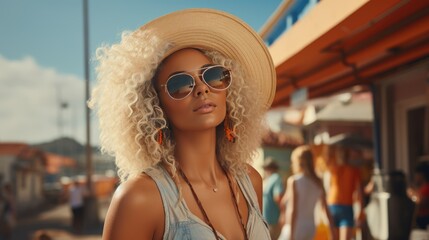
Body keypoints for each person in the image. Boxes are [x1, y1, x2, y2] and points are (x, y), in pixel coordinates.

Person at [88, 8, 276, 240]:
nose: (202, 88)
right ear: (154, 105)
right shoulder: (140, 198)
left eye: (213, 75)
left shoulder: (250, 180)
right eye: (180, 84)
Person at [278, 146, 335, 240]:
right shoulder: (318, 182)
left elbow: (293, 210)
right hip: (311, 227)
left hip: (296, 227)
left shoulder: (294, 181)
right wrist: (332, 233)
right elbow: (326, 209)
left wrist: (291, 236)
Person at [325, 145, 364, 240]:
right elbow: (359, 193)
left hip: (338, 206)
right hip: (339, 206)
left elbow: (359, 192)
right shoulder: (335, 168)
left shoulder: (334, 169)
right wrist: (361, 210)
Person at [262, 158, 284, 239]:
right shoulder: (269, 179)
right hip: (267, 220)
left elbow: (278, 197)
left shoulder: (276, 178)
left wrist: (283, 214)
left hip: (272, 221)